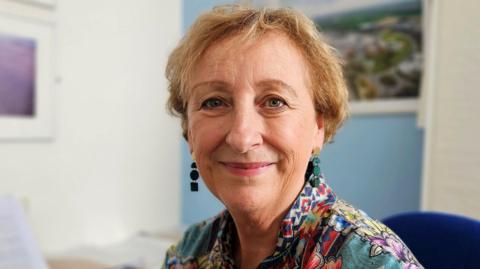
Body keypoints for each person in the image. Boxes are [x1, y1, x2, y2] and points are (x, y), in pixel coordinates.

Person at [163, 4, 423, 269]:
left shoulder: (377, 263)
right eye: (214, 102)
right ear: (189, 131)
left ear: (318, 126)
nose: (242, 137)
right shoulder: (186, 255)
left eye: (275, 102)